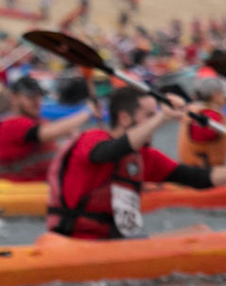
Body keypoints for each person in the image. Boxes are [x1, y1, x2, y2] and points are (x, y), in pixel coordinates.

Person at [47, 87, 226, 239]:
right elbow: (110, 152)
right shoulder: (91, 139)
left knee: (199, 232)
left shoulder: (144, 157)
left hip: (112, 243)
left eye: (154, 115)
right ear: (124, 118)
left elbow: (200, 178)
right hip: (73, 241)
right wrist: (162, 117)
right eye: (149, 115)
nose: (155, 122)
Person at [0, 76, 92, 181]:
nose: (37, 102)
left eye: (39, 97)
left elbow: (54, 136)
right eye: (31, 97)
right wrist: (87, 112)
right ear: (14, 98)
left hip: (41, 183)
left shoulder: (37, 122)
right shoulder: (12, 124)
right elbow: (46, 133)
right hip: (19, 187)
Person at [177, 78, 226, 169]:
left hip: (192, 166)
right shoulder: (209, 115)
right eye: (222, 94)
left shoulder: (193, 109)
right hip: (206, 170)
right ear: (215, 95)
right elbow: (207, 134)